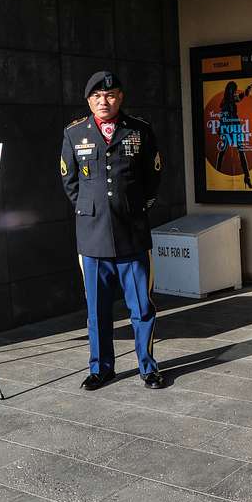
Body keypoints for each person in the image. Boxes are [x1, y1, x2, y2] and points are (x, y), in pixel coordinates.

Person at [60, 70, 166, 390]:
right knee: (97, 310)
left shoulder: (139, 131)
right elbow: (70, 181)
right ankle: (101, 368)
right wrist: (95, 211)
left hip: (132, 234)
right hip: (92, 238)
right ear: (89, 101)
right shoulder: (74, 133)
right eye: (96, 97)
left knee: (142, 308)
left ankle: (147, 367)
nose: (103, 101)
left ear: (120, 98)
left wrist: (131, 208)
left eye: (110, 96)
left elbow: (153, 178)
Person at [214, 80, 252, 189]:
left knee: (240, 151)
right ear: (229, 90)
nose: (234, 92)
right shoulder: (226, 101)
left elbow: (240, 97)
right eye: (233, 90)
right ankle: (217, 172)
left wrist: (247, 90)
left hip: (234, 127)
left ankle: (247, 177)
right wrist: (221, 127)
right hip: (228, 128)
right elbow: (223, 116)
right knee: (224, 151)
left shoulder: (230, 99)